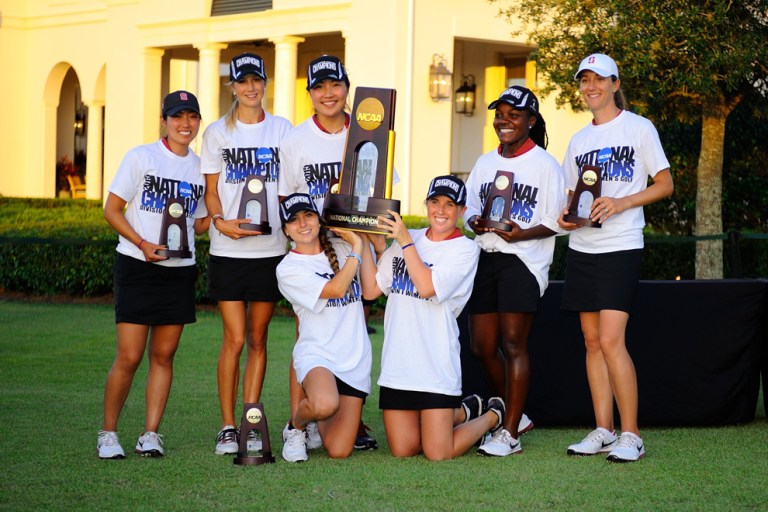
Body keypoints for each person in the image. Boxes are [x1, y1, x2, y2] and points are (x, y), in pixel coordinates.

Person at [558, 53, 673, 462]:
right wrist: (567, 218)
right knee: (591, 341)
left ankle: (632, 434)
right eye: (584, 80)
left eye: (599, 80)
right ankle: (603, 429)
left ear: (614, 83)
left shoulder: (639, 128)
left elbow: (664, 184)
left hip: (621, 246)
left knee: (610, 340)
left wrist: (622, 203)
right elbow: (572, 198)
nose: (591, 86)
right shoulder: (578, 140)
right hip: (583, 248)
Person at [358, 175, 506, 460]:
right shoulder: (409, 236)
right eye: (435, 202)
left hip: (435, 366)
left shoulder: (465, 249)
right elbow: (372, 288)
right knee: (404, 450)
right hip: (398, 366)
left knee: (438, 452)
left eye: (449, 204)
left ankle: (490, 416)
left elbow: (427, 287)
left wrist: (404, 242)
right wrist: (360, 241)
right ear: (426, 204)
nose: (441, 210)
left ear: (461, 211)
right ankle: (462, 411)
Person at [97, 90, 207, 459]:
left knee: (164, 355)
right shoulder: (141, 157)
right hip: (137, 265)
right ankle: (108, 433)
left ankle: (150, 434)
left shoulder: (199, 168)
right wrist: (142, 243)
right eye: (177, 116)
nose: (185, 124)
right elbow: (112, 210)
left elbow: (198, 222)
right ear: (164, 120)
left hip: (179, 271)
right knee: (129, 356)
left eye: (191, 116)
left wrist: (225, 221)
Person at [278, 54, 378, 452]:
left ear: (346, 88)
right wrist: (305, 239)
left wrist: (364, 239)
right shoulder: (296, 140)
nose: (328, 94)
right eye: (319, 88)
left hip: (355, 241)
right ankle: (300, 424)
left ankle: (348, 416)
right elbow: (287, 196)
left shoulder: (367, 133)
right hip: (314, 243)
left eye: (334, 85)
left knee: (355, 322)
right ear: (310, 94)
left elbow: (381, 189)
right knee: (309, 330)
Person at [464, 86, 566, 457]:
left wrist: (523, 233)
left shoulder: (544, 164)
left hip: (523, 261)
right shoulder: (484, 162)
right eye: (500, 113)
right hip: (485, 257)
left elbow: (557, 219)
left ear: (531, 121)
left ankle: (510, 434)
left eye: (514, 114)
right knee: (480, 346)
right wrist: (474, 220)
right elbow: (469, 206)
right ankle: (515, 413)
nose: (504, 120)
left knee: (512, 344)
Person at [200, 52, 292, 455]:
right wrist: (219, 221)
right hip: (229, 249)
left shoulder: (283, 130)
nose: (251, 87)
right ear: (233, 87)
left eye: (258, 80)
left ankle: (249, 417)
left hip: (271, 250)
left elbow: (290, 187)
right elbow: (211, 190)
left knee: (258, 337)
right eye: (244, 81)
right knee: (234, 339)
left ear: (265, 84)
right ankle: (226, 426)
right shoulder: (217, 133)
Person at [275, 193, 372, 462]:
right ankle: (296, 427)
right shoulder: (288, 268)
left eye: (308, 215)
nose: (302, 223)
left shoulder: (342, 249)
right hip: (318, 354)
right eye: (293, 220)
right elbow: (337, 289)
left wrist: (367, 239)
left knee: (339, 451)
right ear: (285, 229)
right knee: (324, 404)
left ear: (319, 220)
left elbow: (373, 291)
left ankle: (317, 422)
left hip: (354, 357)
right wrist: (357, 247)